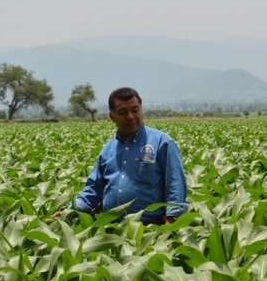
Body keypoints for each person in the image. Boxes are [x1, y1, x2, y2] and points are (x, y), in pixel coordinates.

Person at [53, 87, 187, 224]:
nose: (130, 117)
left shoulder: (162, 142)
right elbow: (94, 190)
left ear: (141, 110)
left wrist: (170, 224)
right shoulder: (107, 150)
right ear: (112, 117)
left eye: (135, 110)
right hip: (111, 231)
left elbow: (175, 185)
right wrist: (69, 212)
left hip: (150, 230)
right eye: (122, 112)